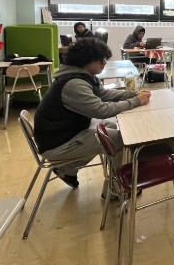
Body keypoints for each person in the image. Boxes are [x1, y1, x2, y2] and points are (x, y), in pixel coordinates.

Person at [33, 38, 151, 188]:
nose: (105, 63)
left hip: (68, 131)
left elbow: (104, 94)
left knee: (111, 126)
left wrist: (133, 94)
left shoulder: (80, 75)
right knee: (123, 141)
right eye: (102, 61)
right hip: (59, 143)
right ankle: (117, 188)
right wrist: (136, 101)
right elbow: (102, 110)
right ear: (88, 61)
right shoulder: (74, 84)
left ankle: (68, 169)